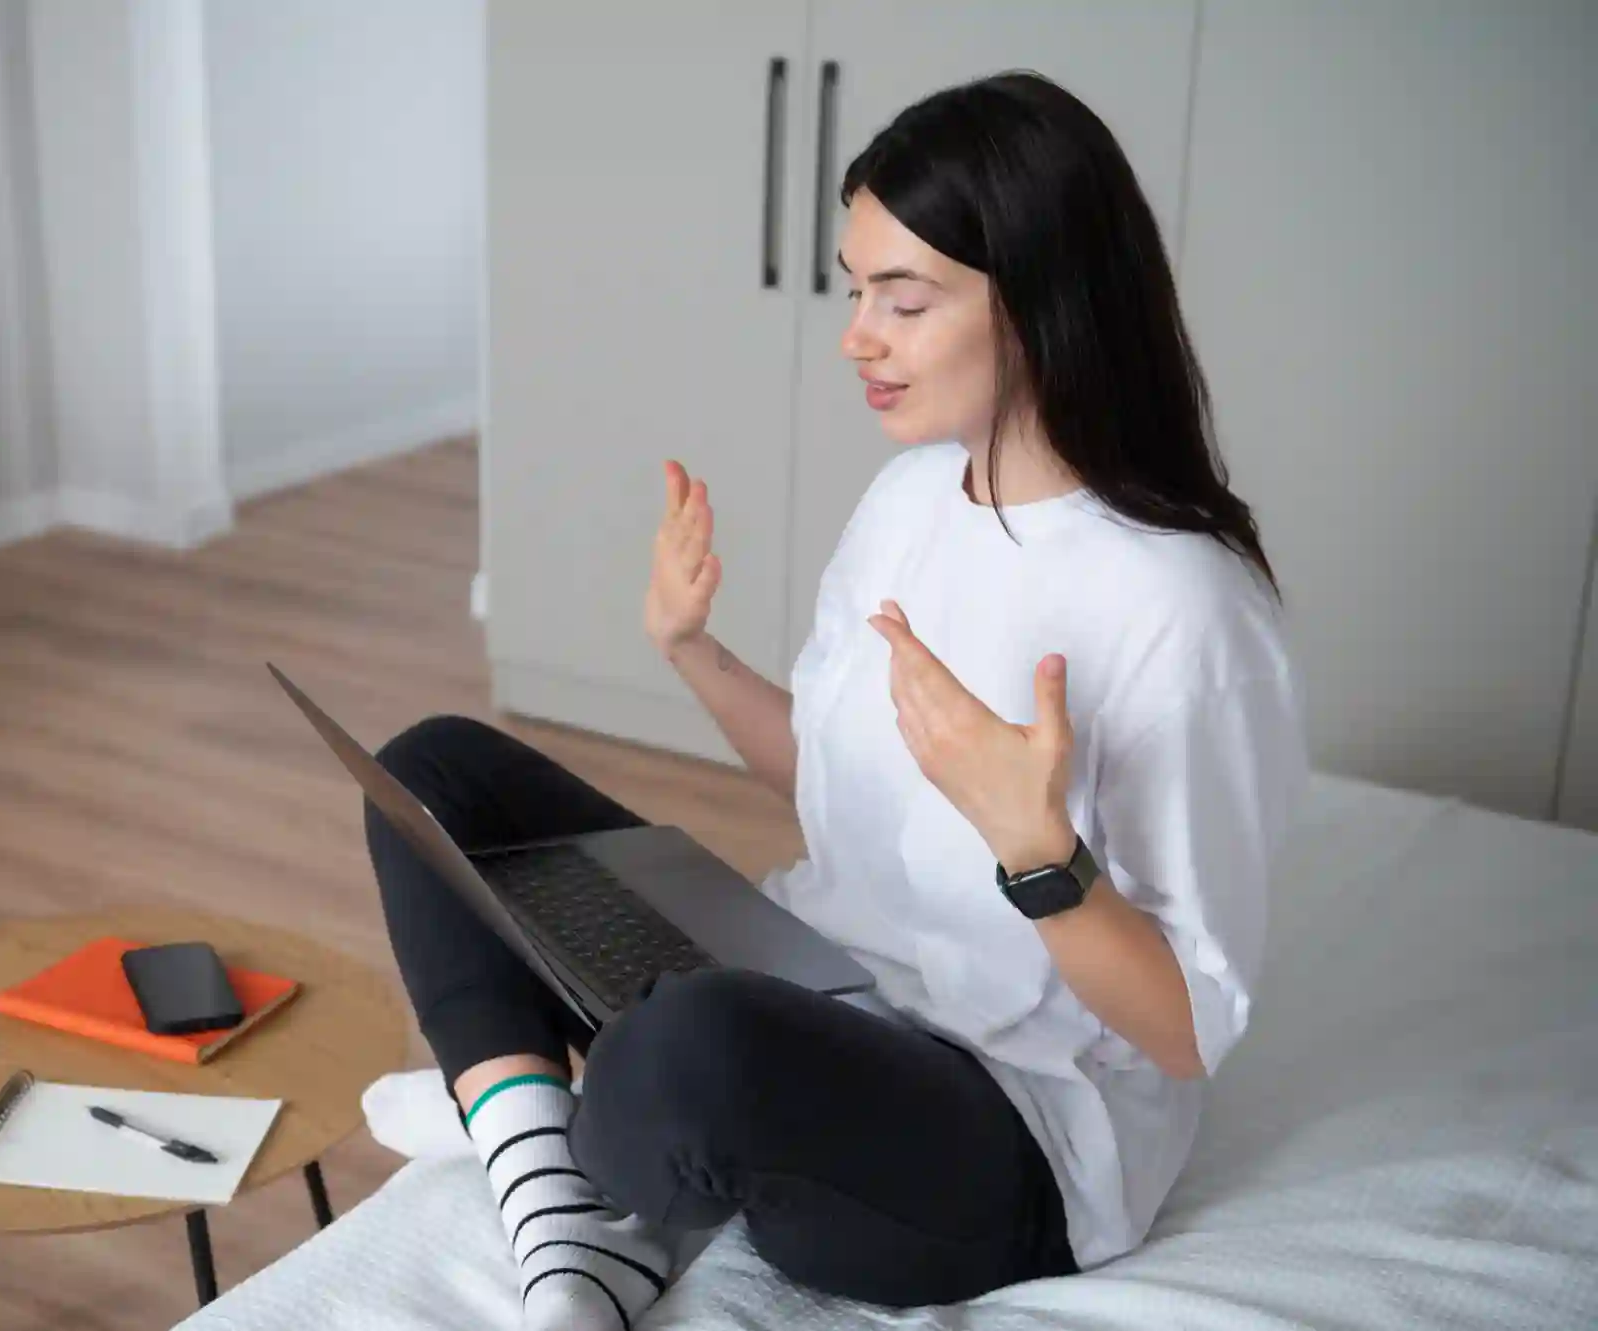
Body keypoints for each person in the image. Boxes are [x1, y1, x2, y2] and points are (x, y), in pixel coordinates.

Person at [366, 70, 1308, 1327]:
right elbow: (836, 775)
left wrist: (1037, 854)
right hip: (811, 980)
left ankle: (533, 1125)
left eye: (902, 300)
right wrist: (690, 648)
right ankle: (563, 1174)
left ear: (1035, 304)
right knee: (432, 771)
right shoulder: (912, 498)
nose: (857, 333)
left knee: (690, 1046)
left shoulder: (1186, 608)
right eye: (853, 288)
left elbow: (1186, 1026)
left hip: (1005, 1122)